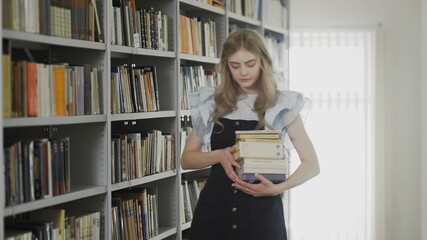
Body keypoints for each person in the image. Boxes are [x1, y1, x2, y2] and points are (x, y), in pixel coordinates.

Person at [180, 29, 320, 240]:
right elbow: (187, 159)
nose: (243, 72)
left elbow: (312, 164)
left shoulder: (281, 105)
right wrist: (218, 155)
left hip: (262, 217)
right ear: (226, 66)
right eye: (235, 66)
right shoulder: (211, 104)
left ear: (263, 61)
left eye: (250, 64)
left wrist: (276, 189)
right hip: (214, 212)